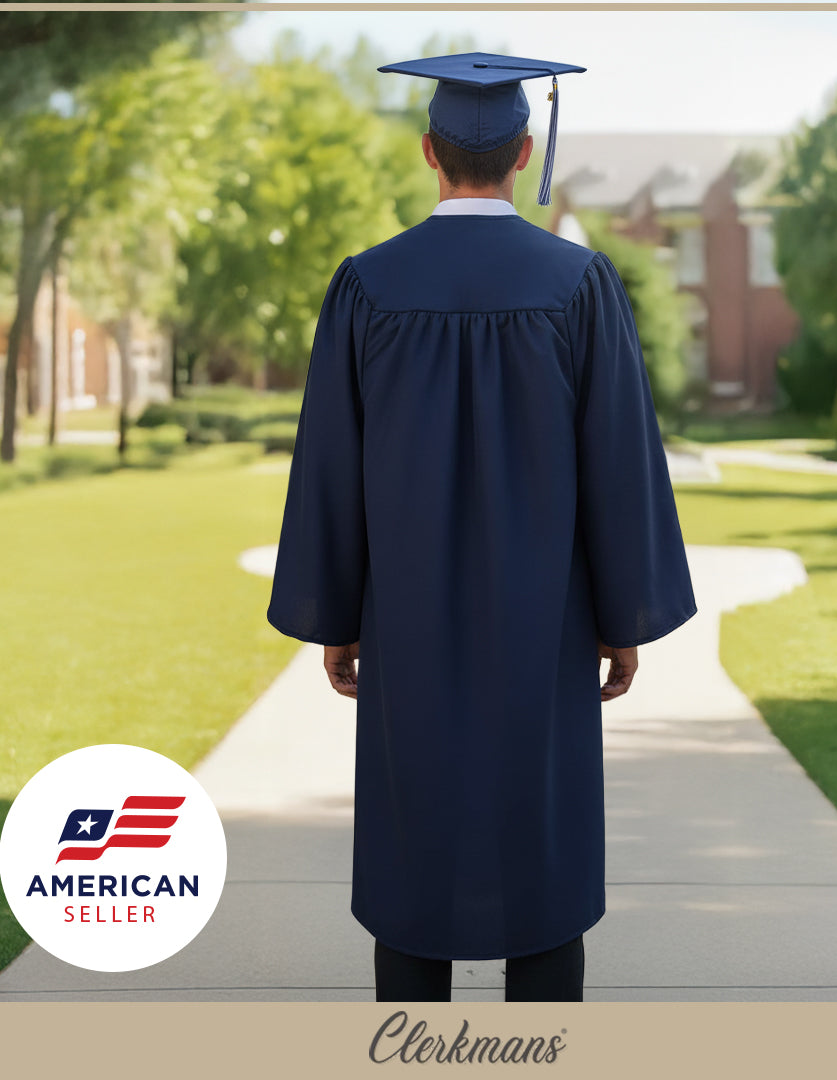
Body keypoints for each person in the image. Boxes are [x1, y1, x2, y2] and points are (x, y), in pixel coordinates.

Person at [266, 52, 697, 1003]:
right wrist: (622, 617)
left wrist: (337, 613)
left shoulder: (366, 287)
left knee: (415, 843)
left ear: (429, 152)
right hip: (546, 631)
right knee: (538, 845)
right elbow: (619, 463)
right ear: (524, 152)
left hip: (406, 631)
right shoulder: (579, 284)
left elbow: (330, 464)